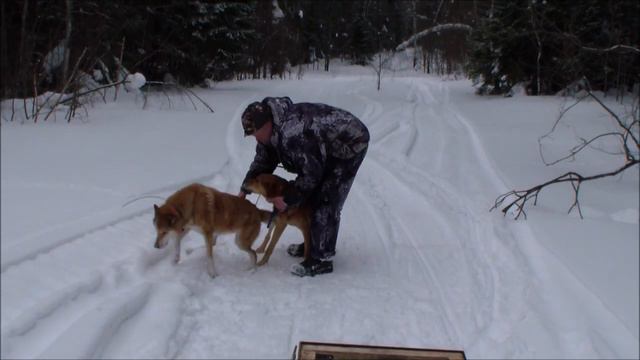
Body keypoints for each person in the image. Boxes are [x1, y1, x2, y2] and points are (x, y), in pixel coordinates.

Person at [238, 97, 369, 277]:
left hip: (349, 143)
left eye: (256, 133)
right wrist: (245, 188)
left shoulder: (294, 133)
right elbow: (263, 161)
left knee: (325, 197)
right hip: (322, 147)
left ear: (267, 123)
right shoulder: (270, 135)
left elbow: (311, 174)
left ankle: (320, 258)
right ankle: (314, 242)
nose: (256, 138)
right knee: (308, 192)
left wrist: (286, 198)